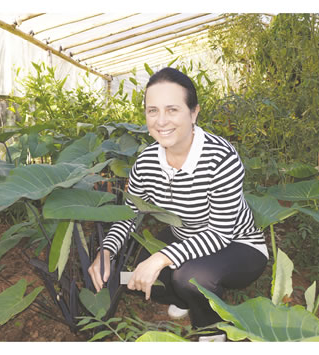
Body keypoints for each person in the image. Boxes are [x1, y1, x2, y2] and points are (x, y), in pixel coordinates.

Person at [88, 67, 268, 336]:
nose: (161, 121)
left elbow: (220, 232)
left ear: (193, 112)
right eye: (152, 111)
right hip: (183, 237)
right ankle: (185, 298)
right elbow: (130, 212)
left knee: (190, 278)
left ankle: (212, 332)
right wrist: (106, 252)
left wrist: (161, 258)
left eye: (172, 110)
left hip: (237, 244)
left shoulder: (220, 158)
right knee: (131, 278)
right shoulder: (146, 163)